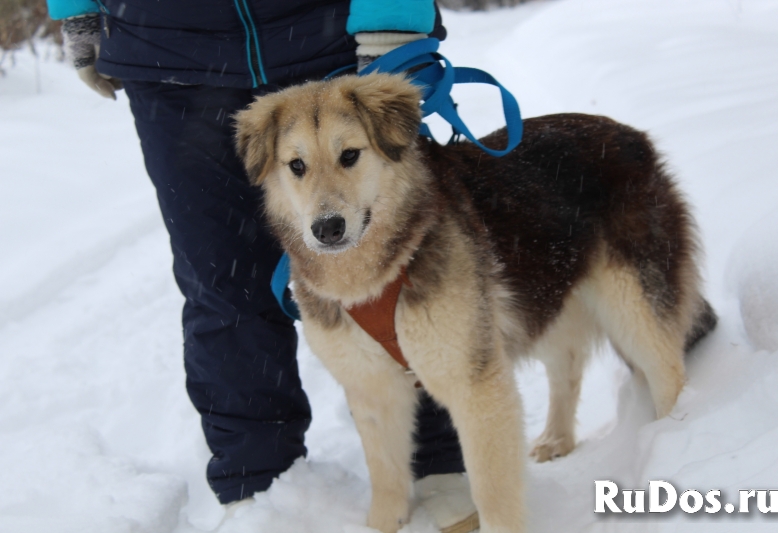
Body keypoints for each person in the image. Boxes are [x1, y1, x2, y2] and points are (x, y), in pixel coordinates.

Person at [46, 1, 479, 531]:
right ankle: (260, 482)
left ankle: (437, 455)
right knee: (220, 281)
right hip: (168, 49)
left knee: (402, 256)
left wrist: (391, 15)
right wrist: (78, 10)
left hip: (333, 35)